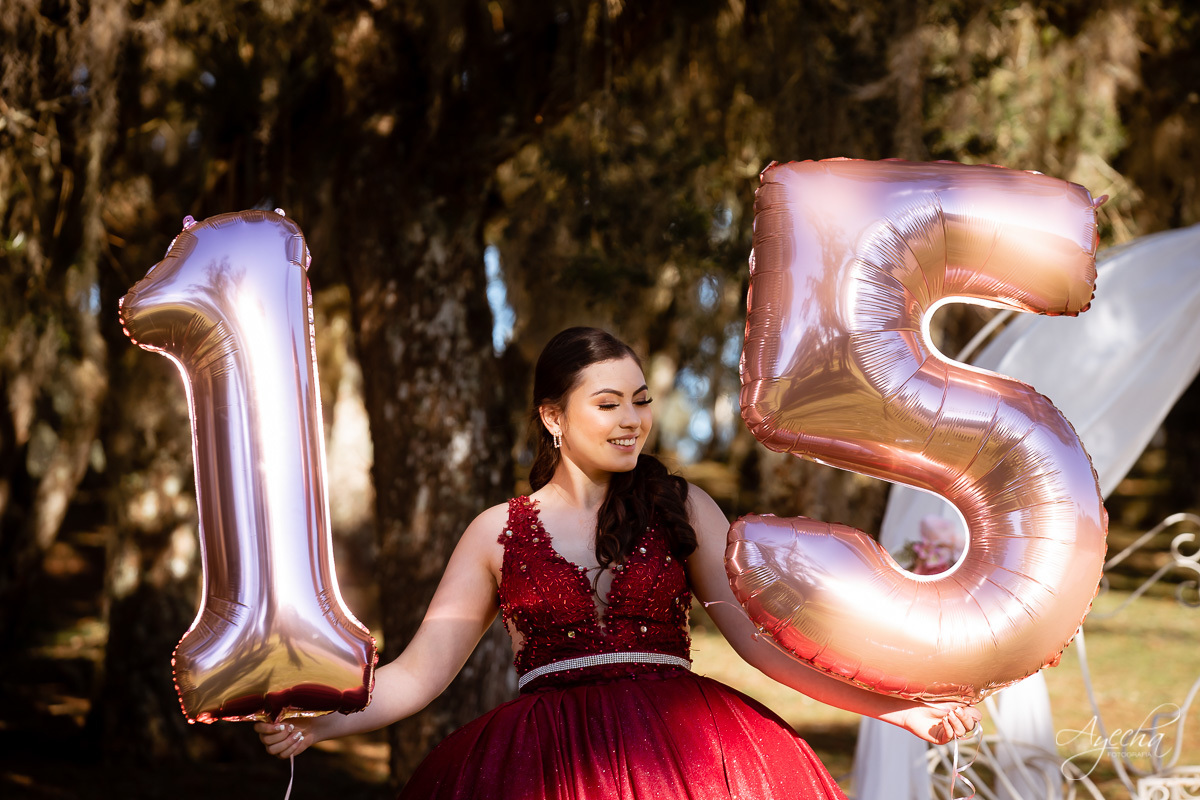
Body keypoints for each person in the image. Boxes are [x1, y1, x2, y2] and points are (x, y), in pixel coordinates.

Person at [258, 327, 980, 798]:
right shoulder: (494, 534)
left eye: (640, 400)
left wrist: (895, 708)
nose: (631, 419)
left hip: (688, 761)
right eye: (607, 404)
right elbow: (418, 674)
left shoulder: (683, 507)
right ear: (553, 417)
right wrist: (325, 721)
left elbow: (763, 646)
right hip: (545, 770)